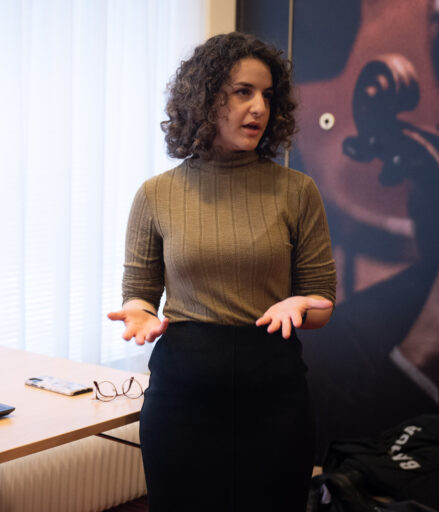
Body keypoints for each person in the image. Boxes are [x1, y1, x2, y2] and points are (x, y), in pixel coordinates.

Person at [107, 32, 337, 511]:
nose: (258, 108)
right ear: (206, 99)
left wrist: (302, 305)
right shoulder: (156, 194)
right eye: (242, 92)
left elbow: (320, 301)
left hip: (274, 395)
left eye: (267, 96)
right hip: (183, 394)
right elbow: (139, 292)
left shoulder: (297, 192)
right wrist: (139, 313)